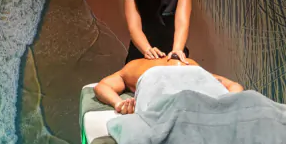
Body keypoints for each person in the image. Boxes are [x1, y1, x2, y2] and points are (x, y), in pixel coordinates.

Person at [94, 53, 244, 114]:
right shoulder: (187, 63)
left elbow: (102, 86)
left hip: (162, 78)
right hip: (192, 76)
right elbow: (235, 86)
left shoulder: (134, 66)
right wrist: (227, 105)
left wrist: (119, 104)